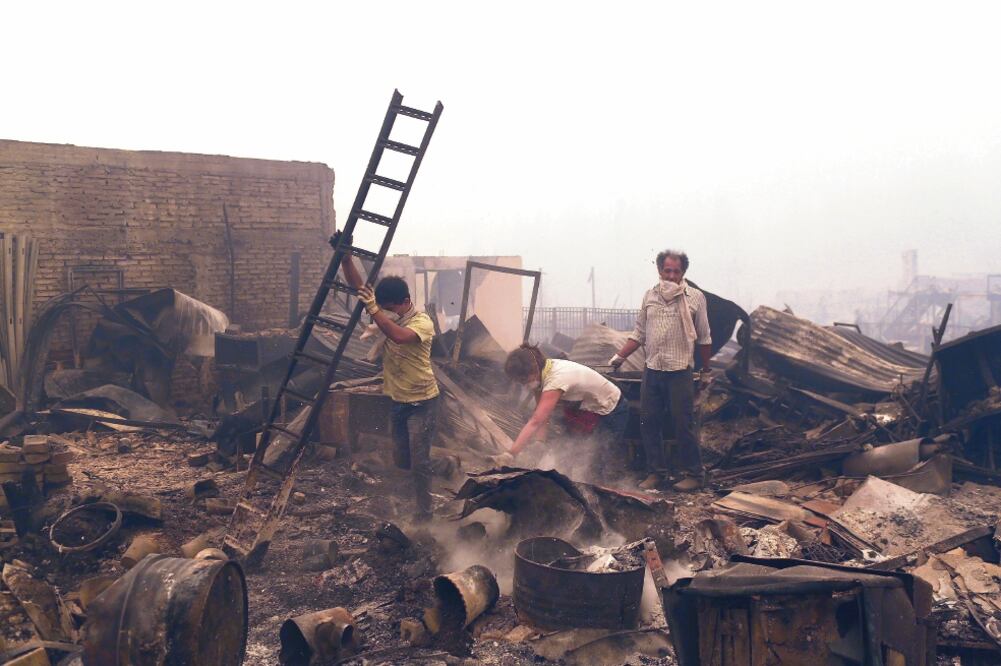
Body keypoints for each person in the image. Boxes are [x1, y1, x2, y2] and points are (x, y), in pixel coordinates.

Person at [341, 247, 439, 522]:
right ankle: (439, 469)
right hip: (398, 402)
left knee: (419, 461)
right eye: (382, 309)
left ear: (406, 302)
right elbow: (360, 287)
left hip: (423, 403)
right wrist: (347, 259)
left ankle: (425, 512)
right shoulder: (385, 313)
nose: (385, 314)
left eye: (390, 309)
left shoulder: (422, 322)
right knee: (402, 459)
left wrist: (375, 310)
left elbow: (397, 336)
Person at [609, 249, 712, 492]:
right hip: (653, 369)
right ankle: (656, 473)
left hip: (680, 371)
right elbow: (639, 334)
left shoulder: (695, 298)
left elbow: (705, 338)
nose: (672, 275)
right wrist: (619, 356)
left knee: (682, 423)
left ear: (683, 272)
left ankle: (694, 474)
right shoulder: (650, 296)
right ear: (659, 271)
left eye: (677, 271)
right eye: (668, 270)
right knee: (649, 421)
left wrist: (706, 371)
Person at [502, 344, 629, 475]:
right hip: (586, 411)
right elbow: (542, 415)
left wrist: (511, 454)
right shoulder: (542, 374)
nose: (523, 384)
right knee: (565, 458)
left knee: (598, 464)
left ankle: (605, 490)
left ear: (533, 370)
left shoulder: (556, 379)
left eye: (523, 379)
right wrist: (540, 442)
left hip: (611, 410)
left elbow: (535, 421)